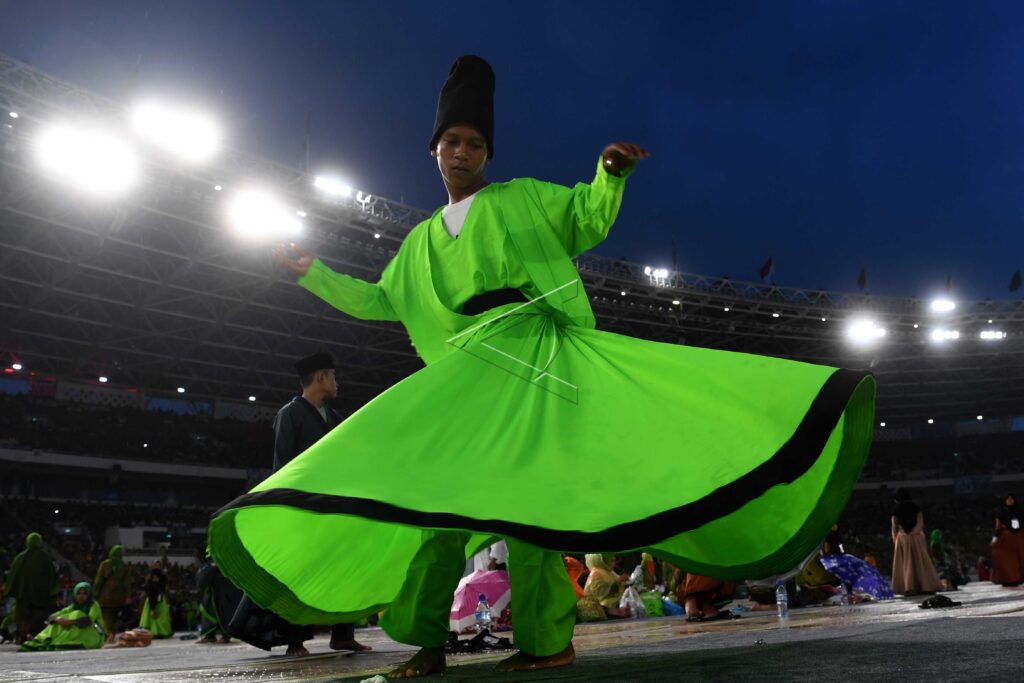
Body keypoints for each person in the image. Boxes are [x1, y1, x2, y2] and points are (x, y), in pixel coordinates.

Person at [208, 55, 875, 679]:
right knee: (438, 507)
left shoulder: (521, 199)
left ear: (487, 153)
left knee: (534, 508)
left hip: (531, 360)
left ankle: (547, 641)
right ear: (434, 150)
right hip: (468, 372)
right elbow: (380, 300)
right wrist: (312, 273)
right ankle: (428, 642)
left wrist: (608, 173)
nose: (461, 151)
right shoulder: (416, 246)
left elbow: (584, 217)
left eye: (473, 142)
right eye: (451, 141)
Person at [271, 352, 370, 655]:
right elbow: (282, 465)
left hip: (334, 507)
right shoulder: (290, 414)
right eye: (334, 376)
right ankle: (295, 639)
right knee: (302, 573)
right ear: (320, 378)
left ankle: (343, 633)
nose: (337, 382)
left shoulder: (334, 417)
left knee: (344, 568)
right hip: (303, 509)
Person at [20, 581, 104, 651]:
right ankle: (40, 640)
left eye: (84, 593)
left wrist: (69, 622)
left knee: (77, 614)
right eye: (79, 593)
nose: (81, 596)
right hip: (79, 631)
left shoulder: (93, 605)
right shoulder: (73, 606)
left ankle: (57, 643)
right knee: (57, 622)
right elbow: (52, 616)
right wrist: (58, 619)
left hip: (94, 634)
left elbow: (89, 620)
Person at [4, 532, 56, 644]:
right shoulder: (45, 559)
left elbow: (12, 576)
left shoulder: (20, 558)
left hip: (23, 596)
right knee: (38, 617)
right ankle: (35, 637)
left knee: (22, 617)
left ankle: (21, 637)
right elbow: (52, 577)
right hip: (40, 597)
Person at [890, 489, 943, 596]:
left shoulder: (896, 509)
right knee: (920, 562)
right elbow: (920, 523)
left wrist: (897, 538)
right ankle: (925, 586)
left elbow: (894, 527)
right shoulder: (916, 506)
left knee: (906, 564)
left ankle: (909, 588)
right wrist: (914, 532)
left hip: (903, 538)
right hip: (917, 537)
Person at [93, 545, 132, 643]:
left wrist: (95, 593)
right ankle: (112, 634)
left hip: (105, 596)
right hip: (119, 597)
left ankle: (108, 634)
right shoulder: (124, 566)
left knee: (106, 617)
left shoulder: (105, 564)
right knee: (115, 617)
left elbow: (99, 580)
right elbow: (127, 583)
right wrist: (128, 596)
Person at [990, 493, 1024, 586]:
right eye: (1008, 499)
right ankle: (1008, 579)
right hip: (1006, 538)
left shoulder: (1021, 512)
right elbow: (998, 527)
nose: (1010, 501)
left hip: (1020, 537)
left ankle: (1020, 578)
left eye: (1011, 499)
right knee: (1007, 559)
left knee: (1020, 558)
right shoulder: (1001, 513)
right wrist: (994, 538)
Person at [139, 560, 172, 638]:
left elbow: (164, 588)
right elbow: (148, 588)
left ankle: (162, 632)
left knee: (161, 616)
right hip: (152, 598)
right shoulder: (150, 577)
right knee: (153, 616)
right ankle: (155, 632)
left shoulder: (163, 577)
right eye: (155, 564)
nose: (157, 565)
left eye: (159, 564)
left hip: (160, 598)